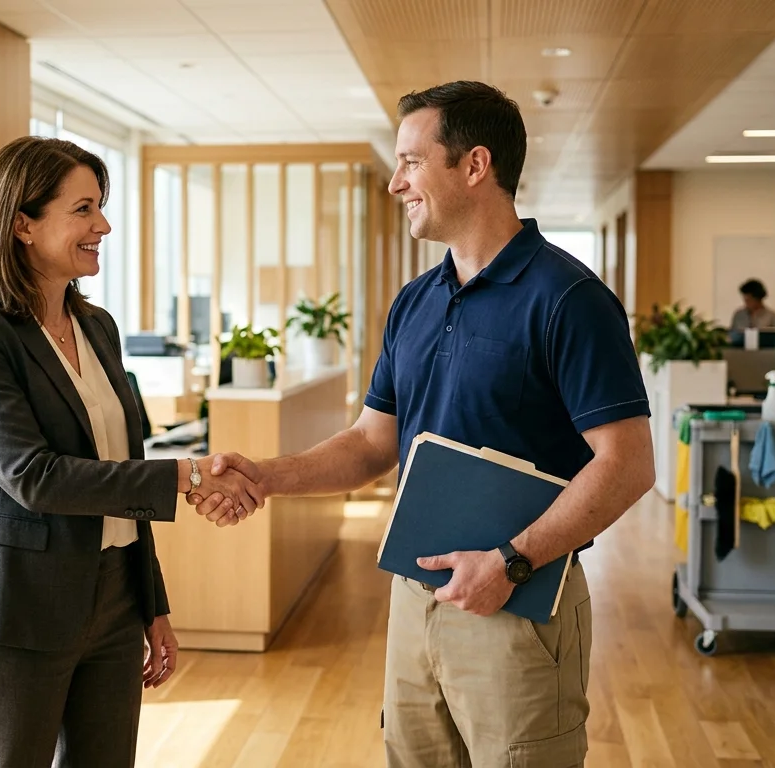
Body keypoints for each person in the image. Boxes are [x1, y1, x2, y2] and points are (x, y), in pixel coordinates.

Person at [193, 81, 655, 767]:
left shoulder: (569, 299)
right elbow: (371, 442)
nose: (394, 183)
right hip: (415, 598)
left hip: (519, 603)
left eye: (410, 161)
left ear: (474, 165)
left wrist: (510, 561)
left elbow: (628, 463)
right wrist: (267, 475)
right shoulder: (415, 302)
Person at [0, 136, 261, 767]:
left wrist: (150, 602)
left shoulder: (99, 327)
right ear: (22, 224)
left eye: (100, 206)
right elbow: (35, 478)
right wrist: (190, 474)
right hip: (16, 606)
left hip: (113, 596)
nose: (103, 225)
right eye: (83, 209)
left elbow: (119, 465)